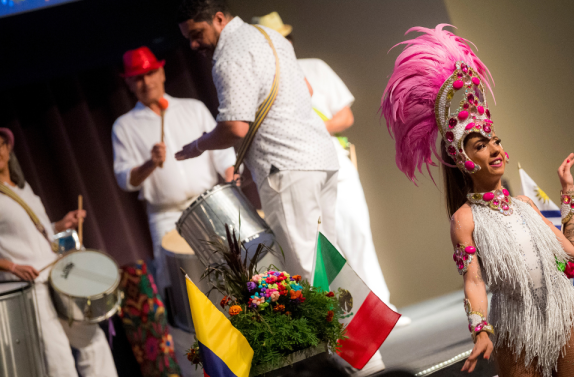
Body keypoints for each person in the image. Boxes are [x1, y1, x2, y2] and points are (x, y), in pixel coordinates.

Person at [381, 25, 574, 376]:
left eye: (495, 141)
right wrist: (480, 329)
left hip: (564, 312)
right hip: (514, 326)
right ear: (463, 160)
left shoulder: (525, 205)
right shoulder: (465, 220)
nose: (495, 148)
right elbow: (474, 281)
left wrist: (568, 193)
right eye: (481, 145)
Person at [254, 11, 410, 326]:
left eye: (281, 40)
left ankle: (382, 307)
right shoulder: (259, 83)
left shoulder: (313, 68)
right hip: (293, 167)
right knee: (319, 242)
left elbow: (345, 116)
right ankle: (348, 318)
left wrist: (310, 127)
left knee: (356, 229)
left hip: (330, 157)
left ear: (288, 40)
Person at [175, 0, 340, 281]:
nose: (193, 44)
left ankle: (334, 326)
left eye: (196, 34)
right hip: (321, 158)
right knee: (331, 259)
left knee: (305, 267)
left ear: (218, 19)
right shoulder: (269, 35)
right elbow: (306, 89)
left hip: (287, 166)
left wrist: (198, 145)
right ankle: (352, 325)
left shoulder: (228, 55)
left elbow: (234, 127)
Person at [111, 46, 236, 293]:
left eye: (150, 74)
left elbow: (221, 153)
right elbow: (125, 179)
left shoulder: (193, 108)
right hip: (166, 215)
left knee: (229, 270)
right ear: (129, 84)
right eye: (138, 78)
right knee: (179, 284)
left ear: (161, 73)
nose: (146, 82)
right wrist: (149, 163)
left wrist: (232, 180)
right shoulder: (124, 126)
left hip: (208, 204)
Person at [0, 128, 118, 377]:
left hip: (56, 279)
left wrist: (59, 226)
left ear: (8, 148)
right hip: (28, 288)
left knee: (93, 342)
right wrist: (10, 267)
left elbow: (32, 232)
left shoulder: (23, 188)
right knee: (59, 362)